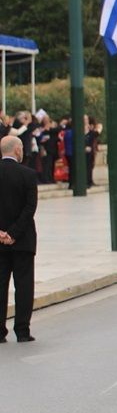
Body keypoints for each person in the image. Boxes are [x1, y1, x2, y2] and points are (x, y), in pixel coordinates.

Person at [0, 135, 38, 343]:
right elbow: (30, 208)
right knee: (23, 285)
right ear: (16, 150)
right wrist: (14, 233)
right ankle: (22, 330)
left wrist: (1, 233)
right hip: (22, 240)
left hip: (0, 240)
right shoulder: (28, 175)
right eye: (22, 148)